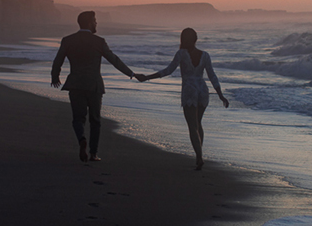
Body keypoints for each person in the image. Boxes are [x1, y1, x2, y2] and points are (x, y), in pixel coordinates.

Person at [135, 28, 228, 170]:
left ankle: (199, 157)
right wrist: (220, 95)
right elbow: (212, 76)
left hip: (190, 90)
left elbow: (168, 70)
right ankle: (199, 156)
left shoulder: (182, 54)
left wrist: (147, 77)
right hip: (203, 90)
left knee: (192, 126)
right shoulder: (205, 55)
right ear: (196, 39)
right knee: (198, 123)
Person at [51, 11, 136, 162]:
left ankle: (82, 139)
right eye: (95, 21)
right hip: (94, 85)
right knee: (95, 120)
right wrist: (130, 73)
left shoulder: (68, 40)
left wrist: (55, 76)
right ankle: (93, 153)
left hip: (75, 84)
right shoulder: (99, 42)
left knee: (78, 118)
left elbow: (58, 60)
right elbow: (114, 60)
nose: (96, 24)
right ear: (89, 22)